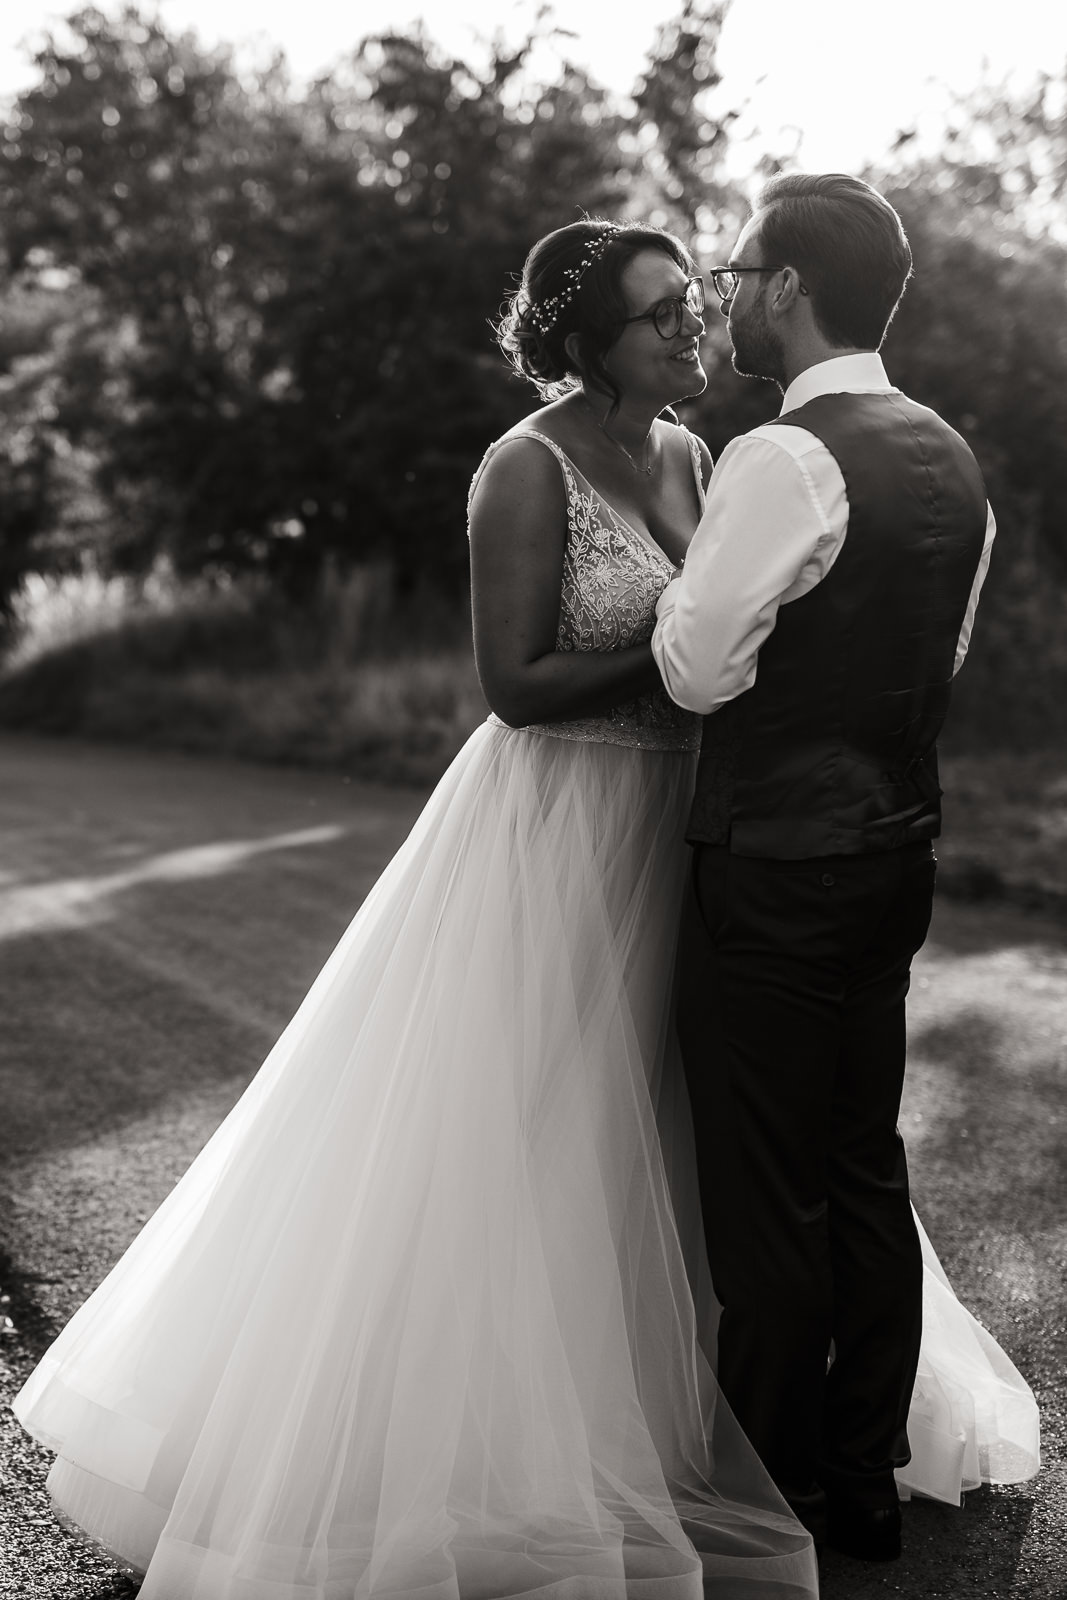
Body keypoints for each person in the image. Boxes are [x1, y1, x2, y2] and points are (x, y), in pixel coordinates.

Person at [13, 219, 822, 1599]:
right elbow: (515, 683)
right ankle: (474, 1451)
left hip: (682, 823)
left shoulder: (694, 457)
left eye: (692, 301)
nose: (691, 327)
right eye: (658, 316)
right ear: (586, 345)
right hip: (560, 822)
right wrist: (680, 649)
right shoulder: (525, 466)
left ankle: (672, 1408)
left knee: (659, 1124)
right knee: (524, 1127)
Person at [651, 172, 1037, 1561]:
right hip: (893, 854)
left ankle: (764, 1497)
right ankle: (862, 1474)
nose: (725, 298)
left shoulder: (781, 458)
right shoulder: (952, 457)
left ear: (789, 289)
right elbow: (938, 658)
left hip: (773, 862)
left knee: (765, 1191)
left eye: (736, 273)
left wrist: (678, 601)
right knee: (863, 1165)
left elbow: (698, 672)